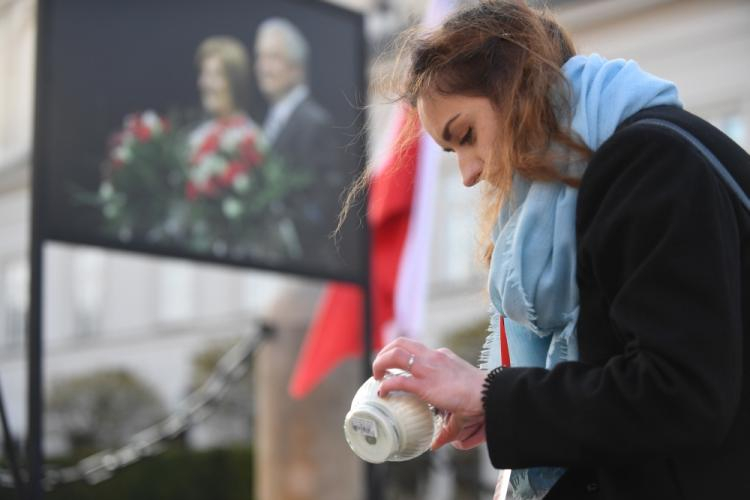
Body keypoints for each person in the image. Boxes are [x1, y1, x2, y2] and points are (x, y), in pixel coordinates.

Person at [366, 1, 750, 499]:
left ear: (514, 87)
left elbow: (679, 395)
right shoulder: (620, 167)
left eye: (465, 136)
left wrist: (491, 396)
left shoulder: (648, 162)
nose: (468, 174)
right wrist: (502, 408)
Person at [254, 17, 346, 269]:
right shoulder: (265, 122)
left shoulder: (314, 123)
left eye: (273, 57)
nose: (263, 67)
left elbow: (325, 205)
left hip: (305, 262)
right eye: (260, 57)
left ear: (297, 67)